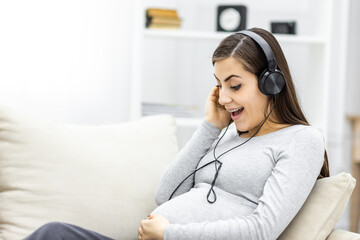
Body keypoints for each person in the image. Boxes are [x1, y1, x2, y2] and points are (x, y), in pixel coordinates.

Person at [24, 27, 329, 240]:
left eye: (234, 85)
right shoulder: (227, 137)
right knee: (54, 233)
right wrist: (210, 127)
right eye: (219, 85)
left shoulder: (302, 140)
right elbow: (165, 195)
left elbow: (261, 230)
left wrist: (169, 234)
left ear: (270, 83)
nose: (223, 98)